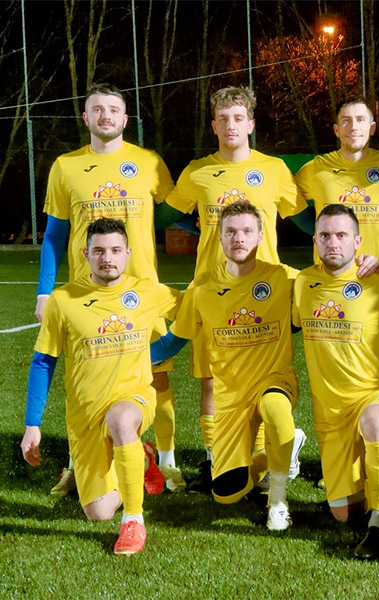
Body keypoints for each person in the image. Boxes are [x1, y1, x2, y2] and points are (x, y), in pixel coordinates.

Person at [155, 86, 307, 490]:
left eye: (238, 117)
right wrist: (201, 228)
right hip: (212, 291)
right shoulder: (197, 172)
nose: (231, 125)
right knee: (211, 381)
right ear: (213, 125)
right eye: (223, 118)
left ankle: (266, 458)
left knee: (259, 382)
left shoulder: (274, 169)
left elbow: (304, 218)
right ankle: (217, 462)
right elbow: (164, 216)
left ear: (251, 124)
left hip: (264, 293)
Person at [35, 82, 183, 495]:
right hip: (85, 296)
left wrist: (217, 226)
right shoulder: (65, 166)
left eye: (113, 110)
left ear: (125, 118)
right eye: (97, 110)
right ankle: (77, 464)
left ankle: (167, 463)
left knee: (157, 379)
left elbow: (174, 213)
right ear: (86, 118)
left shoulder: (149, 162)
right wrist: (44, 292)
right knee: (82, 383)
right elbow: (54, 235)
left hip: (143, 292)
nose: (106, 116)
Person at [21, 218, 183, 555]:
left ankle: (134, 521)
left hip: (133, 397)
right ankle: (141, 457)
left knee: (121, 419)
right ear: (85, 255)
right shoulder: (64, 300)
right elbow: (43, 361)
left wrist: (163, 349)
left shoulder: (147, 291)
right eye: (98, 251)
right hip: (85, 415)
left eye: (115, 250)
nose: (107, 258)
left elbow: (195, 311)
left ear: (128, 253)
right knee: (99, 511)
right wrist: (32, 423)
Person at [150, 201, 301, 530]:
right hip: (231, 400)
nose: (239, 238)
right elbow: (174, 340)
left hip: (274, 379)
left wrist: (363, 267)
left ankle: (278, 501)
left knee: (276, 409)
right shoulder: (202, 287)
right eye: (230, 231)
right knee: (225, 493)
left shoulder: (284, 277)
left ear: (260, 236)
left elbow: (326, 287)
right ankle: (286, 447)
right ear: (218, 237)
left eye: (247, 231)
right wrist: (131, 357)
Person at [292, 204, 379, 559]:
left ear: (357, 241)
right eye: (325, 236)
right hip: (331, 415)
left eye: (341, 235)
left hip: (378, 394)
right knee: (344, 514)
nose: (333, 242)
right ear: (315, 241)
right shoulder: (303, 283)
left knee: (375, 423)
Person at [294, 97, 379, 376]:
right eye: (345, 121)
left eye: (360, 120)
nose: (353, 126)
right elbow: (286, 202)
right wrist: (315, 231)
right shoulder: (316, 169)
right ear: (336, 130)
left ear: (372, 127)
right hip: (332, 290)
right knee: (335, 374)